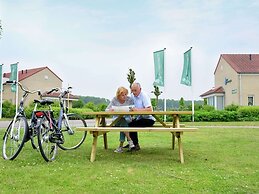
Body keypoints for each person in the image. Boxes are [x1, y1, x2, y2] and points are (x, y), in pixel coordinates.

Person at [125, 82, 155, 151]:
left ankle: (135, 145)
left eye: (135, 90)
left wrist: (137, 110)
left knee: (132, 125)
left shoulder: (144, 96)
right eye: (132, 90)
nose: (133, 92)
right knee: (127, 122)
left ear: (140, 89)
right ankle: (131, 143)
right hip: (140, 118)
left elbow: (150, 109)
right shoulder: (132, 96)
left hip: (149, 119)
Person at [106, 86, 135, 153]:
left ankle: (120, 147)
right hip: (116, 120)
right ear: (118, 95)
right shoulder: (114, 99)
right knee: (122, 121)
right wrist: (111, 110)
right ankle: (130, 140)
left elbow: (133, 108)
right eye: (122, 95)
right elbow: (106, 110)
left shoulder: (129, 99)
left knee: (123, 123)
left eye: (125, 94)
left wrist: (132, 110)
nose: (124, 96)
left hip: (127, 120)